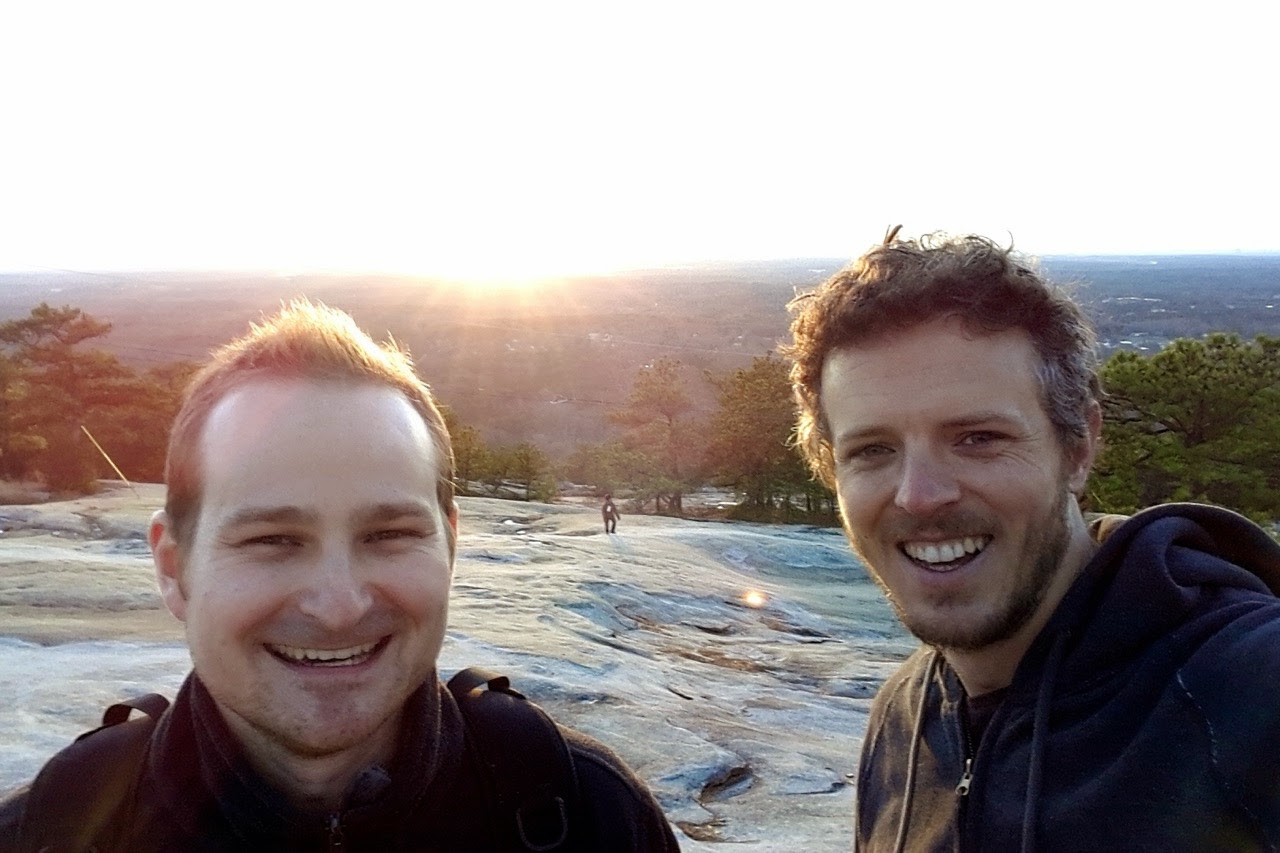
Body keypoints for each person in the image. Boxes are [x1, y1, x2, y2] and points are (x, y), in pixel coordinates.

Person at [0, 300, 677, 851]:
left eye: (389, 534)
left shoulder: (592, 817)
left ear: (449, 547)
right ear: (174, 568)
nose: (339, 605)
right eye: (272, 540)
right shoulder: (49, 832)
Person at [785, 229, 1280, 851]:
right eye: (872, 450)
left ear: (1078, 448)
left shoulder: (1250, 691)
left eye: (978, 438)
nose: (919, 495)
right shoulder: (902, 721)